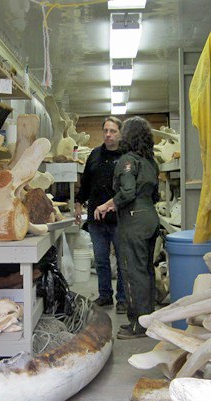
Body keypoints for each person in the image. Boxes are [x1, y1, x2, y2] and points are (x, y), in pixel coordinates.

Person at [95, 116, 160, 339]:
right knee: (147, 271)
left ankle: (138, 325)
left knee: (133, 273)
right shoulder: (151, 162)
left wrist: (107, 204)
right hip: (150, 218)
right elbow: (155, 194)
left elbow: (128, 192)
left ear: (128, 135)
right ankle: (148, 320)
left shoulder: (127, 161)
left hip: (134, 220)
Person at [75, 116, 127, 314]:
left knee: (123, 260)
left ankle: (122, 298)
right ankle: (105, 295)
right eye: (106, 130)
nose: (108, 134)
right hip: (96, 218)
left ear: (120, 133)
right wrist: (79, 202)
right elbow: (86, 182)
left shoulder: (126, 157)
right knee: (101, 259)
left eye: (113, 131)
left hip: (120, 217)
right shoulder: (95, 155)